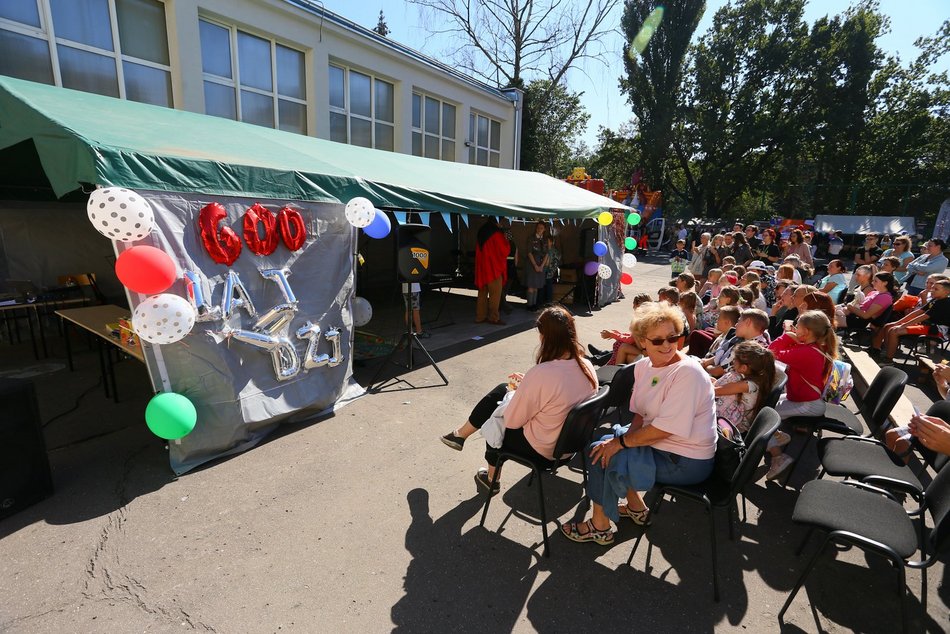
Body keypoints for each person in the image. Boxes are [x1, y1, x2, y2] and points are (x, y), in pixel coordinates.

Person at [560, 302, 716, 544]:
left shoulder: (688, 374)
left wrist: (620, 445)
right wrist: (621, 443)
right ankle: (635, 507)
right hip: (664, 445)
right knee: (604, 445)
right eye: (657, 340)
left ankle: (600, 525)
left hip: (686, 460)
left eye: (672, 338)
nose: (666, 345)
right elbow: (640, 415)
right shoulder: (644, 366)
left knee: (602, 454)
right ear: (642, 341)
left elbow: (664, 429)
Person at [440, 306, 598, 494]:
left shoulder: (543, 373)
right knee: (502, 390)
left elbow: (513, 421)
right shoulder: (586, 364)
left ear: (545, 337)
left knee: (495, 421)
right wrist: (527, 386)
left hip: (544, 451)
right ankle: (460, 435)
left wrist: (522, 390)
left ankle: (491, 478)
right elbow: (560, 392)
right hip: (570, 445)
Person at [766, 310, 839, 479]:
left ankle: (778, 457)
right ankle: (778, 436)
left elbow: (771, 352)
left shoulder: (807, 353)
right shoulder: (813, 347)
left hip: (808, 405)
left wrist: (786, 337)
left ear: (805, 331)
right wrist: (794, 337)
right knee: (766, 405)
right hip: (803, 399)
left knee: (763, 418)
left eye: (797, 327)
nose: (794, 329)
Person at [869, 279, 950, 363]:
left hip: (937, 330)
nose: (932, 290)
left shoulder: (944, 302)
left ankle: (888, 360)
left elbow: (923, 316)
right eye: (932, 288)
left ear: (946, 292)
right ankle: (886, 352)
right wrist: (898, 322)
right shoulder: (935, 300)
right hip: (927, 325)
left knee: (894, 331)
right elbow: (918, 312)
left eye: (936, 289)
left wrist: (903, 325)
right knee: (888, 326)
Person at [713, 341, 776, 435]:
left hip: (737, 425)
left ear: (744, 368)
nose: (732, 362)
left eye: (734, 360)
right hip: (733, 414)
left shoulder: (746, 385)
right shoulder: (755, 378)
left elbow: (715, 391)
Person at [700, 308, 771, 378]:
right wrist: (705, 362)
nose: (736, 325)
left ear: (748, 322)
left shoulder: (750, 350)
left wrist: (703, 366)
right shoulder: (758, 336)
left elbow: (717, 372)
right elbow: (722, 355)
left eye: (739, 321)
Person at [474, 218, 510, 325]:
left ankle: (480, 317)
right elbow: (505, 250)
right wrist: (507, 241)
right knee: (495, 294)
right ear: (497, 222)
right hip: (493, 268)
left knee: (482, 293)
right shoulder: (497, 233)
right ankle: (494, 317)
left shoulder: (481, 231)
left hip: (482, 267)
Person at [524, 221, 548, 310]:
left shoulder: (545, 240)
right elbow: (529, 252)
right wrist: (535, 265)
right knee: (531, 285)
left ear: (544, 229)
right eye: (538, 228)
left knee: (537, 285)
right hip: (532, 264)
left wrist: (541, 266)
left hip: (541, 265)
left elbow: (546, 254)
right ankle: (529, 305)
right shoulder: (531, 238)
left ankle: (534, 304)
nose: (539, 230)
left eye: (541, 228)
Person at [500, 220, 520, 314]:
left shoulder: (503, 244)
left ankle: (503, 304)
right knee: (506, 288)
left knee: (502, 288)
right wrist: (514, 266)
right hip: (511, 267)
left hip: (504, 266)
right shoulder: (514, 245)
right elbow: (516, 258)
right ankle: (504, 304)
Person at [541, 234, 561, 306]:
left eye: (548, 241)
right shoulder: (545, 250)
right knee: (544, 287)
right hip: (545, 271)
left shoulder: (553, 251)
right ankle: (544, 302)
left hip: (549, 271)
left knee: (548, 287)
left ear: (551, 242)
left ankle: (548, 303)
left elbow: (554, 262)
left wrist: (551, 269)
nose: (546, 243)